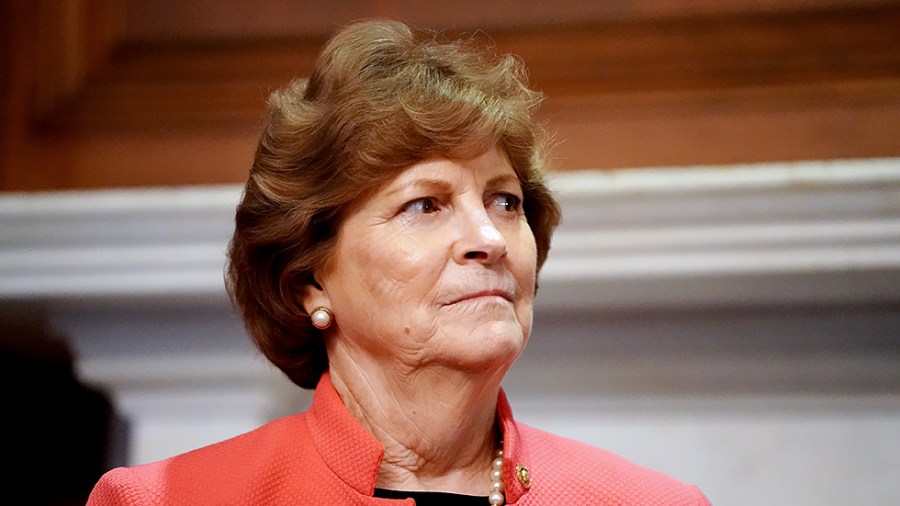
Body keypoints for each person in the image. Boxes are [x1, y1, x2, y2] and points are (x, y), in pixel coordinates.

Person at [87, 19, 710, 505]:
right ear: (309, 279)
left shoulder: (655, 502)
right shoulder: (166, 500)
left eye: (505, 200)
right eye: (425, 204)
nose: (488, 238)